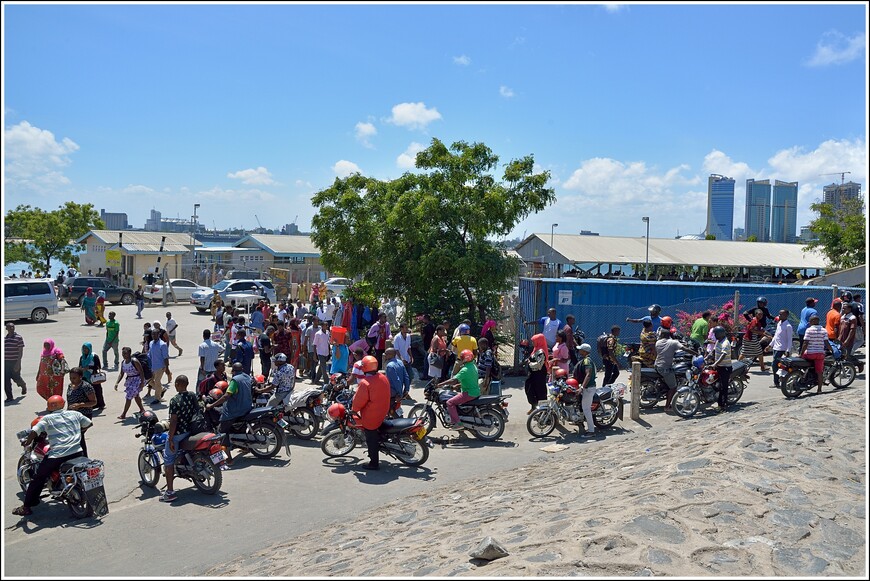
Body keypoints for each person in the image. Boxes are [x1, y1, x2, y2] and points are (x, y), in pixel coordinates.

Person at [12, 395, 92, 517]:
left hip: (58, 455)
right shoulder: (74, 414)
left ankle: (26, 507)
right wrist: (79, 431)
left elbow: (35, 431)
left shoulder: (47, 419)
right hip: (78, 452)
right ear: (63, 403)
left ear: (49, 407)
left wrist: (28, 441)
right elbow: (89, 423)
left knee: (38, 478)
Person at [161, 375, 204, 503]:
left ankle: (170, 492)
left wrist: (170, 438)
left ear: (178, 384)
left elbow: (173, 421)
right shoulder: (192, 395)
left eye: (175, 383)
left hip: (179, 433)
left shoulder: (175, 400)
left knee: (168, 460)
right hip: (191, 430)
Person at [205, 362, 254, 465]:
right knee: (240, 427)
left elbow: (226, 396)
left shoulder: (235, 380)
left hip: (235, 410)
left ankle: (228, 459)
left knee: (222, 431)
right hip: (247, 407)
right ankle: (245, 447)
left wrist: (212, 405)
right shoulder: (247, 377)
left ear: (233, 371)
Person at [351, 355, 391, 470]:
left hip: (372, 415)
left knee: (371, 437)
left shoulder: (365, 383)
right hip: (383, 410)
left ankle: (374, 463)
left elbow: (359, 400)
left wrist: (354, 409)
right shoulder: (383, 377)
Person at [438, 349, 479, 430]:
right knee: (455, 399)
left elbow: (453, 380)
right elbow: (469, 380)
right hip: (474, 391)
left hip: (469, 393)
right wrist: (457, 386)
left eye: (461, 358)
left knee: (449, 402)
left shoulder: (465, 370)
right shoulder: (473, 366)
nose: (460, 359)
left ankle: (458, 423)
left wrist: (440, 384)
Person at [65, 367, 97, 455]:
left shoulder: (86, 387)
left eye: (74, 378)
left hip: (84, 416)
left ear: (80, 377)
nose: (72, 380)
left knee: (79, 436)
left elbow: (94, 402)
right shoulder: (70, 386)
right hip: (71, 416)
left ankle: (84, 457)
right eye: (70, 378)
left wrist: (80, 405)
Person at [115, 346, 147, 419]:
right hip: (130, 381)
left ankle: (123, 414)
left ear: (129, 353)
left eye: (125, 354)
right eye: (123, 354)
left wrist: (142, 382)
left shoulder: (134, 361)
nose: (123, 355)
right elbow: (121, 373)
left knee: (129, 397)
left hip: (137, 380)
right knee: (136, 395)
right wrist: (117, 382)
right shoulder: (123, 362)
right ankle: (142, 409)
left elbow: (141, 372)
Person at [654, 327, 681, 412]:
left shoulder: (658, 342)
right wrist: (695, 353)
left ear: (662, 335)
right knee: (673, 387)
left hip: (657, 365)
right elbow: (684, 348)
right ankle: (667, 406)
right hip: (664, 367)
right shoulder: (673, 342)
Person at [573, 343, 597, 437]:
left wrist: (582, 388)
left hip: (588, 388)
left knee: (586, 409)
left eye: (580, 350)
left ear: (585, 351)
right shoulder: (585, 360)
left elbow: (588, 375)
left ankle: (591, 431)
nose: (579, 351)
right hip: (586, 387)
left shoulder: (587, 361)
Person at [525, 333, 550, 414]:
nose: (533, 343)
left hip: (539, 375)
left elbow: (539, 365)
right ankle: (534, 407)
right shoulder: (536, 349)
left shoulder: (541, 351)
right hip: (533, 375)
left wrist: (529, 363)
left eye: (534, 341)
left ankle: (544, 412)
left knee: (540, 392)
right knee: (531, 389)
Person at [711, 326, 733, 412]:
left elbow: (723, 355)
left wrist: (715, 363)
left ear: (720, 333)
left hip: (725, 368)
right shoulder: (718, 341)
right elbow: (713, 351)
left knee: (723, 387)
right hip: (719, 367)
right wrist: (705, 358)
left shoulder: (725, 343)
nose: (715, 335)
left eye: (716, 333)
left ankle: (723, 405)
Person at [78, 342, 105, 411]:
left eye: (86, 348)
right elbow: (79, 366)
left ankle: (101, 404)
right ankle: (91, 405)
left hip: (93, 376)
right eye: (84, 348)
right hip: (85, 377)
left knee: (97, 391)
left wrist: (89, 367)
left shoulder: (94, 356)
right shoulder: (82, 357)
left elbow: (98, 366)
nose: (85, 350)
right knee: (88, 392)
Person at [5, 322, 27, 403]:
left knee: (16, 378)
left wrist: (18, 363)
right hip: (6, 363)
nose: (12, 328)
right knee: (6, 380)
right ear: (6, 329)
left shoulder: (18, 338)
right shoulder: (5, 339)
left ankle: (23, 385)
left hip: (15, 362)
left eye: (13, 327)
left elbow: (20, 351)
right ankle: (9, 397)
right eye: (9, 327)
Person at [770, 310, 793, 388]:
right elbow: (776, 335)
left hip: (782, 348)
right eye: (779, 314)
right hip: (776, 347)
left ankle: (777, 382)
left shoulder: (788, 326)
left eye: (781, 314)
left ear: (786, 315)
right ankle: (780, 379)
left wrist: (788, 350)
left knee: (774, 365)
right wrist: (770, 345)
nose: (779, 316)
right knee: (778, 365)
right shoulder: (779, 323)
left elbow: (790, 339)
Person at [384, 348, 410, 417]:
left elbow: (396, 380)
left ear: (391, 355)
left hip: (393, 393)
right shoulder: (400, 362)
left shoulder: (390, 366)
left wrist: (400, 394)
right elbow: (406, 377)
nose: (384, 356)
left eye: (386, 354)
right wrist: (406, 389)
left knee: (391, 411)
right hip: (398, 391)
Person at [147, 329, 170, 403]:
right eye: (152, 334)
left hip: (160, 366)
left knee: (157, 381)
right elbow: (149, 354)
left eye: (155, 334)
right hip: (152, 366)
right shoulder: (151, 343)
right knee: (149, 381)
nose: (153, 336)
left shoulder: (162, 344)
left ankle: (157, 398)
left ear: (159, 334)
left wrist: (167, 368)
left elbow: (165, 357)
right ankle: (161, 389)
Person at [420, 314, 436, 380]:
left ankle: (425, 375)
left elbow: (423, 336)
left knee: (426, 360)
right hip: (433, 344)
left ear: (426, 319)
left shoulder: (425, 327)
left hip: (427, 344)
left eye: (424, 319)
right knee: (430, 360)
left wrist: (421, 340)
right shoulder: (433, 326)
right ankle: (431, 375)